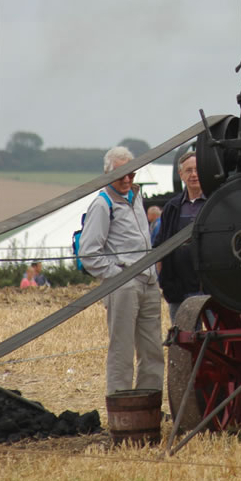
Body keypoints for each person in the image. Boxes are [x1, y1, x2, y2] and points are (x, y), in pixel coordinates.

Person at [78, 145, 164, 396]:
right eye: (121, 174)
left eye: (131, 174)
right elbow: (88, 253)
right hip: (124, 284)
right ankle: (121, 407)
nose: (127, 179)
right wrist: (120, 275)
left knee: (153, 351)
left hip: (149, 281)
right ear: (107, 174)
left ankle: (148, 406)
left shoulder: (136, 197)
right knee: (122, 351)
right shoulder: (102, 204)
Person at [153, 150, 206, 323]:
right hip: (179, 289)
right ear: (180, 174)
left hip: (210, 288)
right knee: (183, 335)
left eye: (197, 170)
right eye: (189, 170)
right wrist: (165, 281)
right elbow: (160, 247)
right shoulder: (172, 207)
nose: (194, 175)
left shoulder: (214, 203)